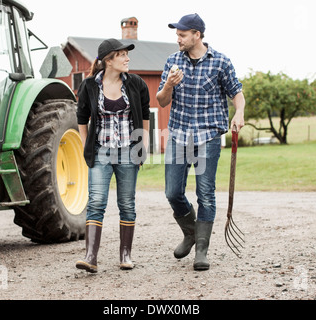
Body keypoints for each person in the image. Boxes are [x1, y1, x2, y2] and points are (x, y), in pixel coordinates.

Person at [157, 14, 246, 271]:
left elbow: (237, 95)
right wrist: (170, 86)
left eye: (182, 34)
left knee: (205, 193)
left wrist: (238, 113)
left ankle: (202, 250)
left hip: (208, 136)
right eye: (177, 34)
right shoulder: (172, 62)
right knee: (172, 192)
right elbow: (162, 100)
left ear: (197, 34)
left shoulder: (220, 62)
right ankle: (191, 233)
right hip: (178, 135)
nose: (178, 39)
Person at [76, 38, 150, 273]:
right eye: (122, 55)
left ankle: (125, 255)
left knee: (127, 204)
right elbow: (82, 119)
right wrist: (85, 146)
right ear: (109, 60)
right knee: (96, 202)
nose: (127, 59)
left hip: (129, 152)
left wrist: (142, 147)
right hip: (101, 153)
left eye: (127, 55)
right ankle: (90, 257)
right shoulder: (89, 86)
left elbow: (145, 117)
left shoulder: (136, 84)